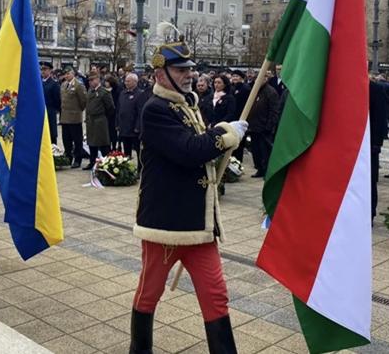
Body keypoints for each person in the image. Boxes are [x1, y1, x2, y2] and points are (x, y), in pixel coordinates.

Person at [129, 40, 246, 354]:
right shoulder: (155, 109)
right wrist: (225, 133)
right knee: (149, 293)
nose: (189, 75)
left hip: (197, 222)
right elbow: (187, 151)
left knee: (216, 294)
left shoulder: (187, 104)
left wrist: (222, 147)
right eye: (181, 69)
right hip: (165, 223)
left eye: (191, 69)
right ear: (160, 73)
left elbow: (200, 154)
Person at [247, 81, 280, 178]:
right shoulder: (255, 90)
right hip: (254, 127)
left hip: (264, 128)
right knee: (256, 150)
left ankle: (266, 170)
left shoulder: (271, 92)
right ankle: (260, 168)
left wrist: (269, 126)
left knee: (264, 151)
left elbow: (274, 110)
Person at [83, 71, 115, 170]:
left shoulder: (104, 92)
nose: (90, 82)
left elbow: (111, 108)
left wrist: (103, 117)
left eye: (92, 80)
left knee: (103, 143)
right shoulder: (90, 91)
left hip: (100, 121)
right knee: (91, 144)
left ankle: (107, 163)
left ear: (98, 79)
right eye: (89, 80)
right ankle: (92, 162)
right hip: (90, 121)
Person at [369, 77, 389, 223]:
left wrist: (377, 142)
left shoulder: (375, 89)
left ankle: (370, 212)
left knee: (370, 180)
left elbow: (381, 117)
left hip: (370, 144)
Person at [60, 67, 87, 168]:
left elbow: (83, 101)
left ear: (73, 74)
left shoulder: (79, 85)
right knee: (66, 139)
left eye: (68, 74)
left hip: (75, 117)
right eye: (65, 74)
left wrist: (78, 111)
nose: (66, 76)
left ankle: (77, 159)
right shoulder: (63, 85)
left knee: (77, 140)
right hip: (64, 117)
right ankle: (68, 157)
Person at [116, 73, 146, 162]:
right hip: (124, 127)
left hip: (134, 129)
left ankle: (140, 168)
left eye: (128, 81)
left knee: (138, 150)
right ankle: (127, 168)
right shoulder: (123, 93)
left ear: (135, 82)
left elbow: (140, 112)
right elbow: (118, 110)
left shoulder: (140, 94)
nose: (126, 83)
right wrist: (117, 123)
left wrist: (138, 127)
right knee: (126, 150)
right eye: (125, 81)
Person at [40, 61, 61, 145]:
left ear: (50, 71)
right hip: (40, 113)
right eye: (42, 69)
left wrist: (54, 110)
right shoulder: (39, 83)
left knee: (51, 135)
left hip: (50, 112)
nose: (43, 71)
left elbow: (57, 100)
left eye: (45, 69)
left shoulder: (54, 84)